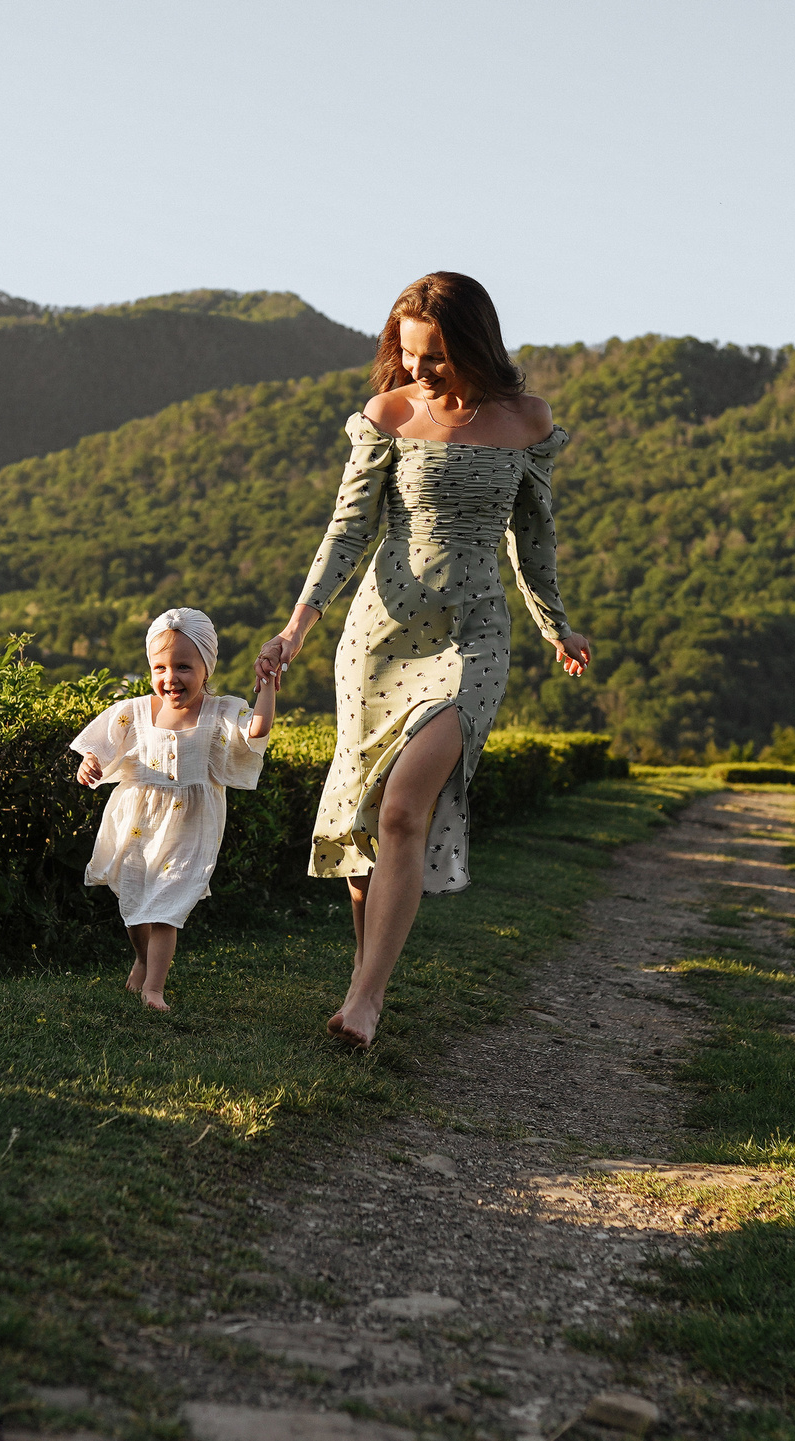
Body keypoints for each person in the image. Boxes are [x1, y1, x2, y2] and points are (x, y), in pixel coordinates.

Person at [257, 272, 592, 1048]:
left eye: (435, 357)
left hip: (473, 639)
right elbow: (346, 534)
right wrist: (297, 628)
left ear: (473, 344)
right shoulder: (389, 416)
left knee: (407, 806)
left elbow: (532, 538)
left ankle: (368, 1001)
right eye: (408, 355)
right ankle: (362, 981)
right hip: (379, 636)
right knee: (363, 823)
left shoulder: (526, 422)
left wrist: (555, 624)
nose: (417, 371)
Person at [71, 607, 276, 1010]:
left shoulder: (220, 712)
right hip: (135, 823)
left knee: (167, 905)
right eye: (160, 667)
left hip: (191, 827)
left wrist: (266, 686)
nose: (171, 678)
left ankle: (154, 988)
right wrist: (90, 762)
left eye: (183, 666)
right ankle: (142, 959)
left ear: (206, 667)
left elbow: (257, 730)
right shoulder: (134, 712)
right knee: (133, 902)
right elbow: (100, 746)